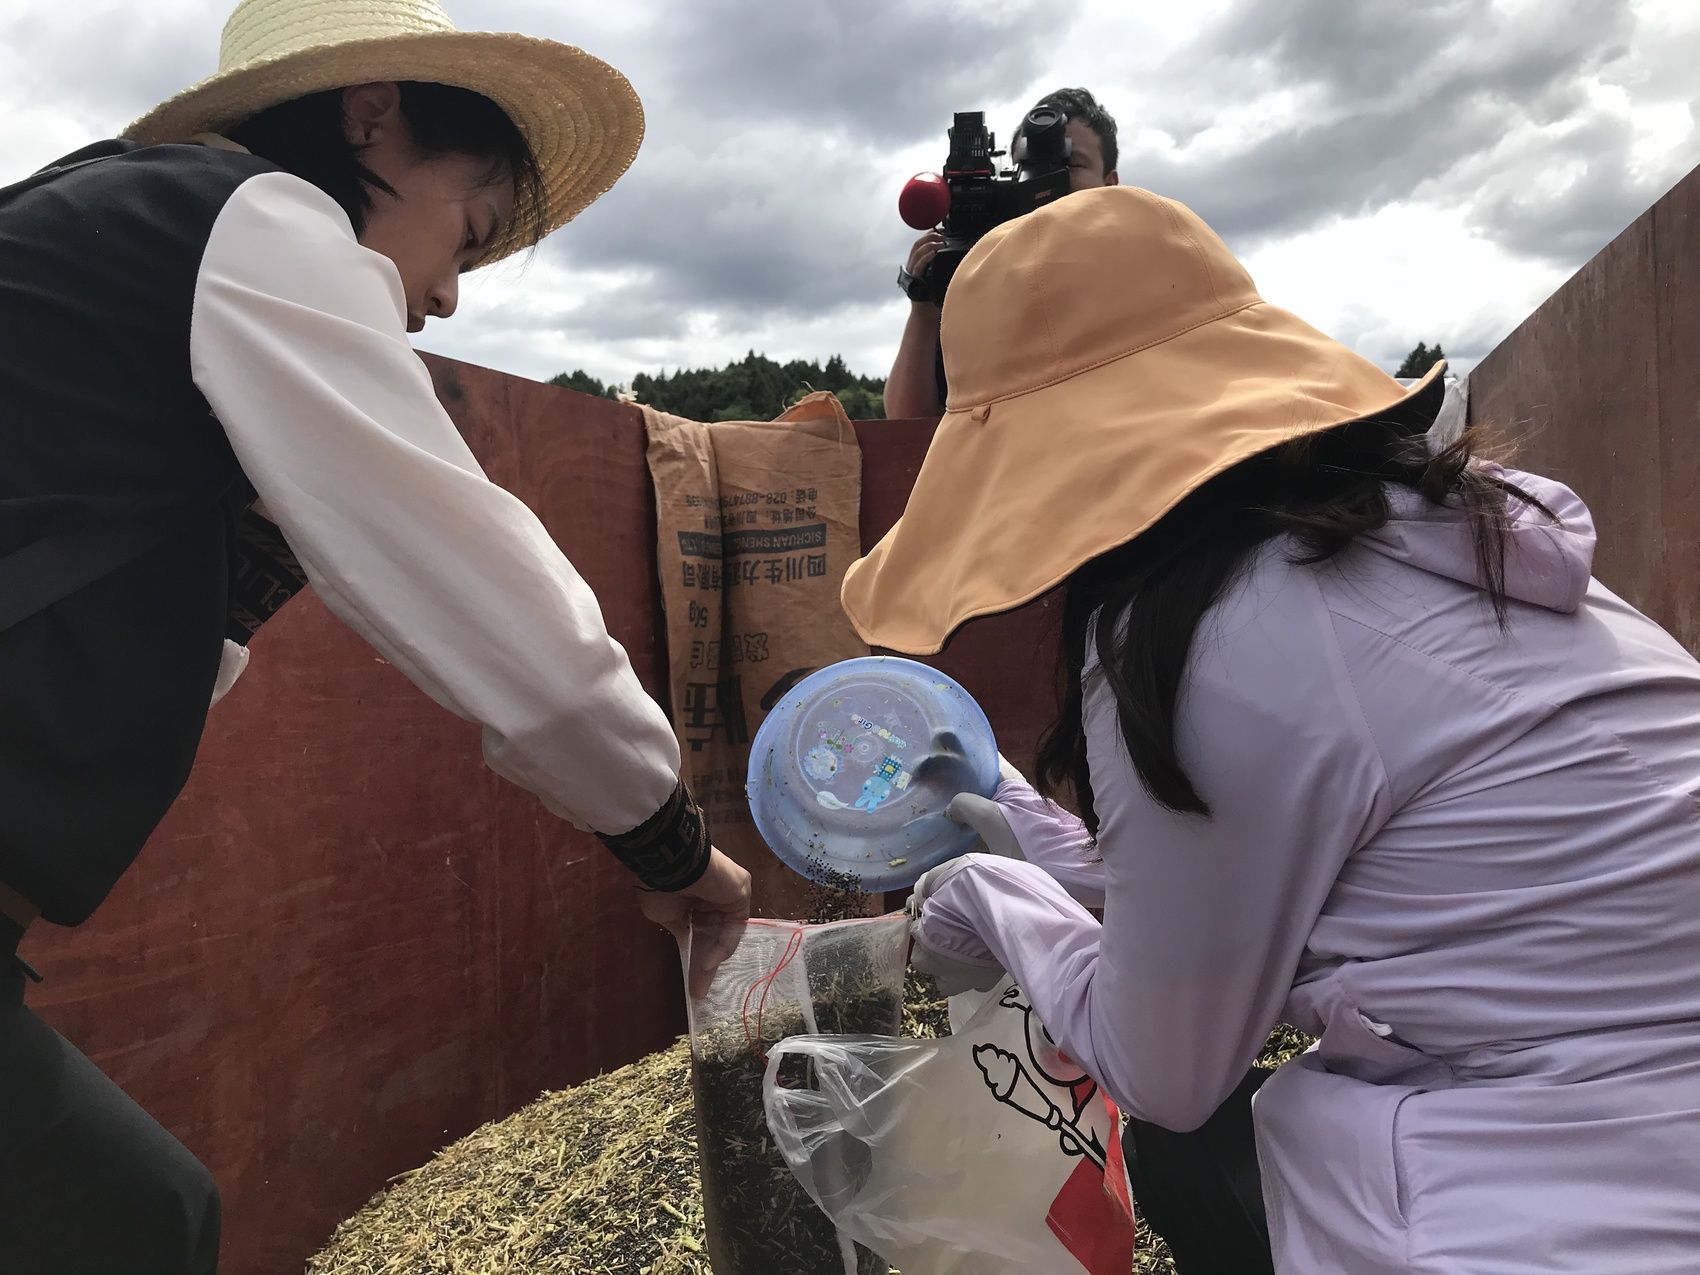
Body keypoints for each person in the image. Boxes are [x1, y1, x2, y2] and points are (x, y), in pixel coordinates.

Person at [0, 0, 750, 1270]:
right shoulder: (258, 218)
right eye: (471, 230)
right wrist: (671, 845)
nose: (447, 296)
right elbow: (481, 589)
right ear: (367, 116)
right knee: (133, 1217)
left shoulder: (112, 242)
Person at [844, 185, 1700, 1274]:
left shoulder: (1206, 634)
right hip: (1638, 1124)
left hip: (1562, 1198)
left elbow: (1164, 1067)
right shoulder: (1438, 537)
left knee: (1185, 1145)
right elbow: (1356, 843)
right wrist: (1044, 834)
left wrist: (989, 893)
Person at [882, 87, 1119, 420]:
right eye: (1029, 167)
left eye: (1071, 163)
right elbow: (907, 421)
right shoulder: (979, 277)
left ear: (1110, 184)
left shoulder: (1139, 270)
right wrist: (923, 312)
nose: (1048, 181)